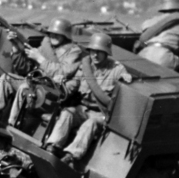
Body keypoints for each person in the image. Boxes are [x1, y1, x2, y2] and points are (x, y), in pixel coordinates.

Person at [46, 31, 131, 166]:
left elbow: (125, 88)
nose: (95, 55)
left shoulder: (117, 69)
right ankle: (52, 147)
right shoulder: (85, 66)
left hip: (101, 114)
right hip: (83, 109)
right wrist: (61, 85)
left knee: (90, 123)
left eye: (99, 52)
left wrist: (126, 79)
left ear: (106, 52)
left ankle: (70, 156)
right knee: (68, 113)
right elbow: (74, 84)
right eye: (92, 51)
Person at [0, 17, 81, 127]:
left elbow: (63, 71)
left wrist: (39, 58)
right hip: (36, 84)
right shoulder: (46, 47)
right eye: (52, 33)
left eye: (58, 34)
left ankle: (12, 125)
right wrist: (15, 47)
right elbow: (26, 68)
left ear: (65, 35)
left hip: (53, 92)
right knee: (6, 78)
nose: (53, 36)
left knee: (25, 87)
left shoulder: (74, 51)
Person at [136, 0, 179, 71]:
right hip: (164, 59)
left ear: (163, 8)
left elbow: (142, 36)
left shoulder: (150, 21)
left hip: (144, 56)